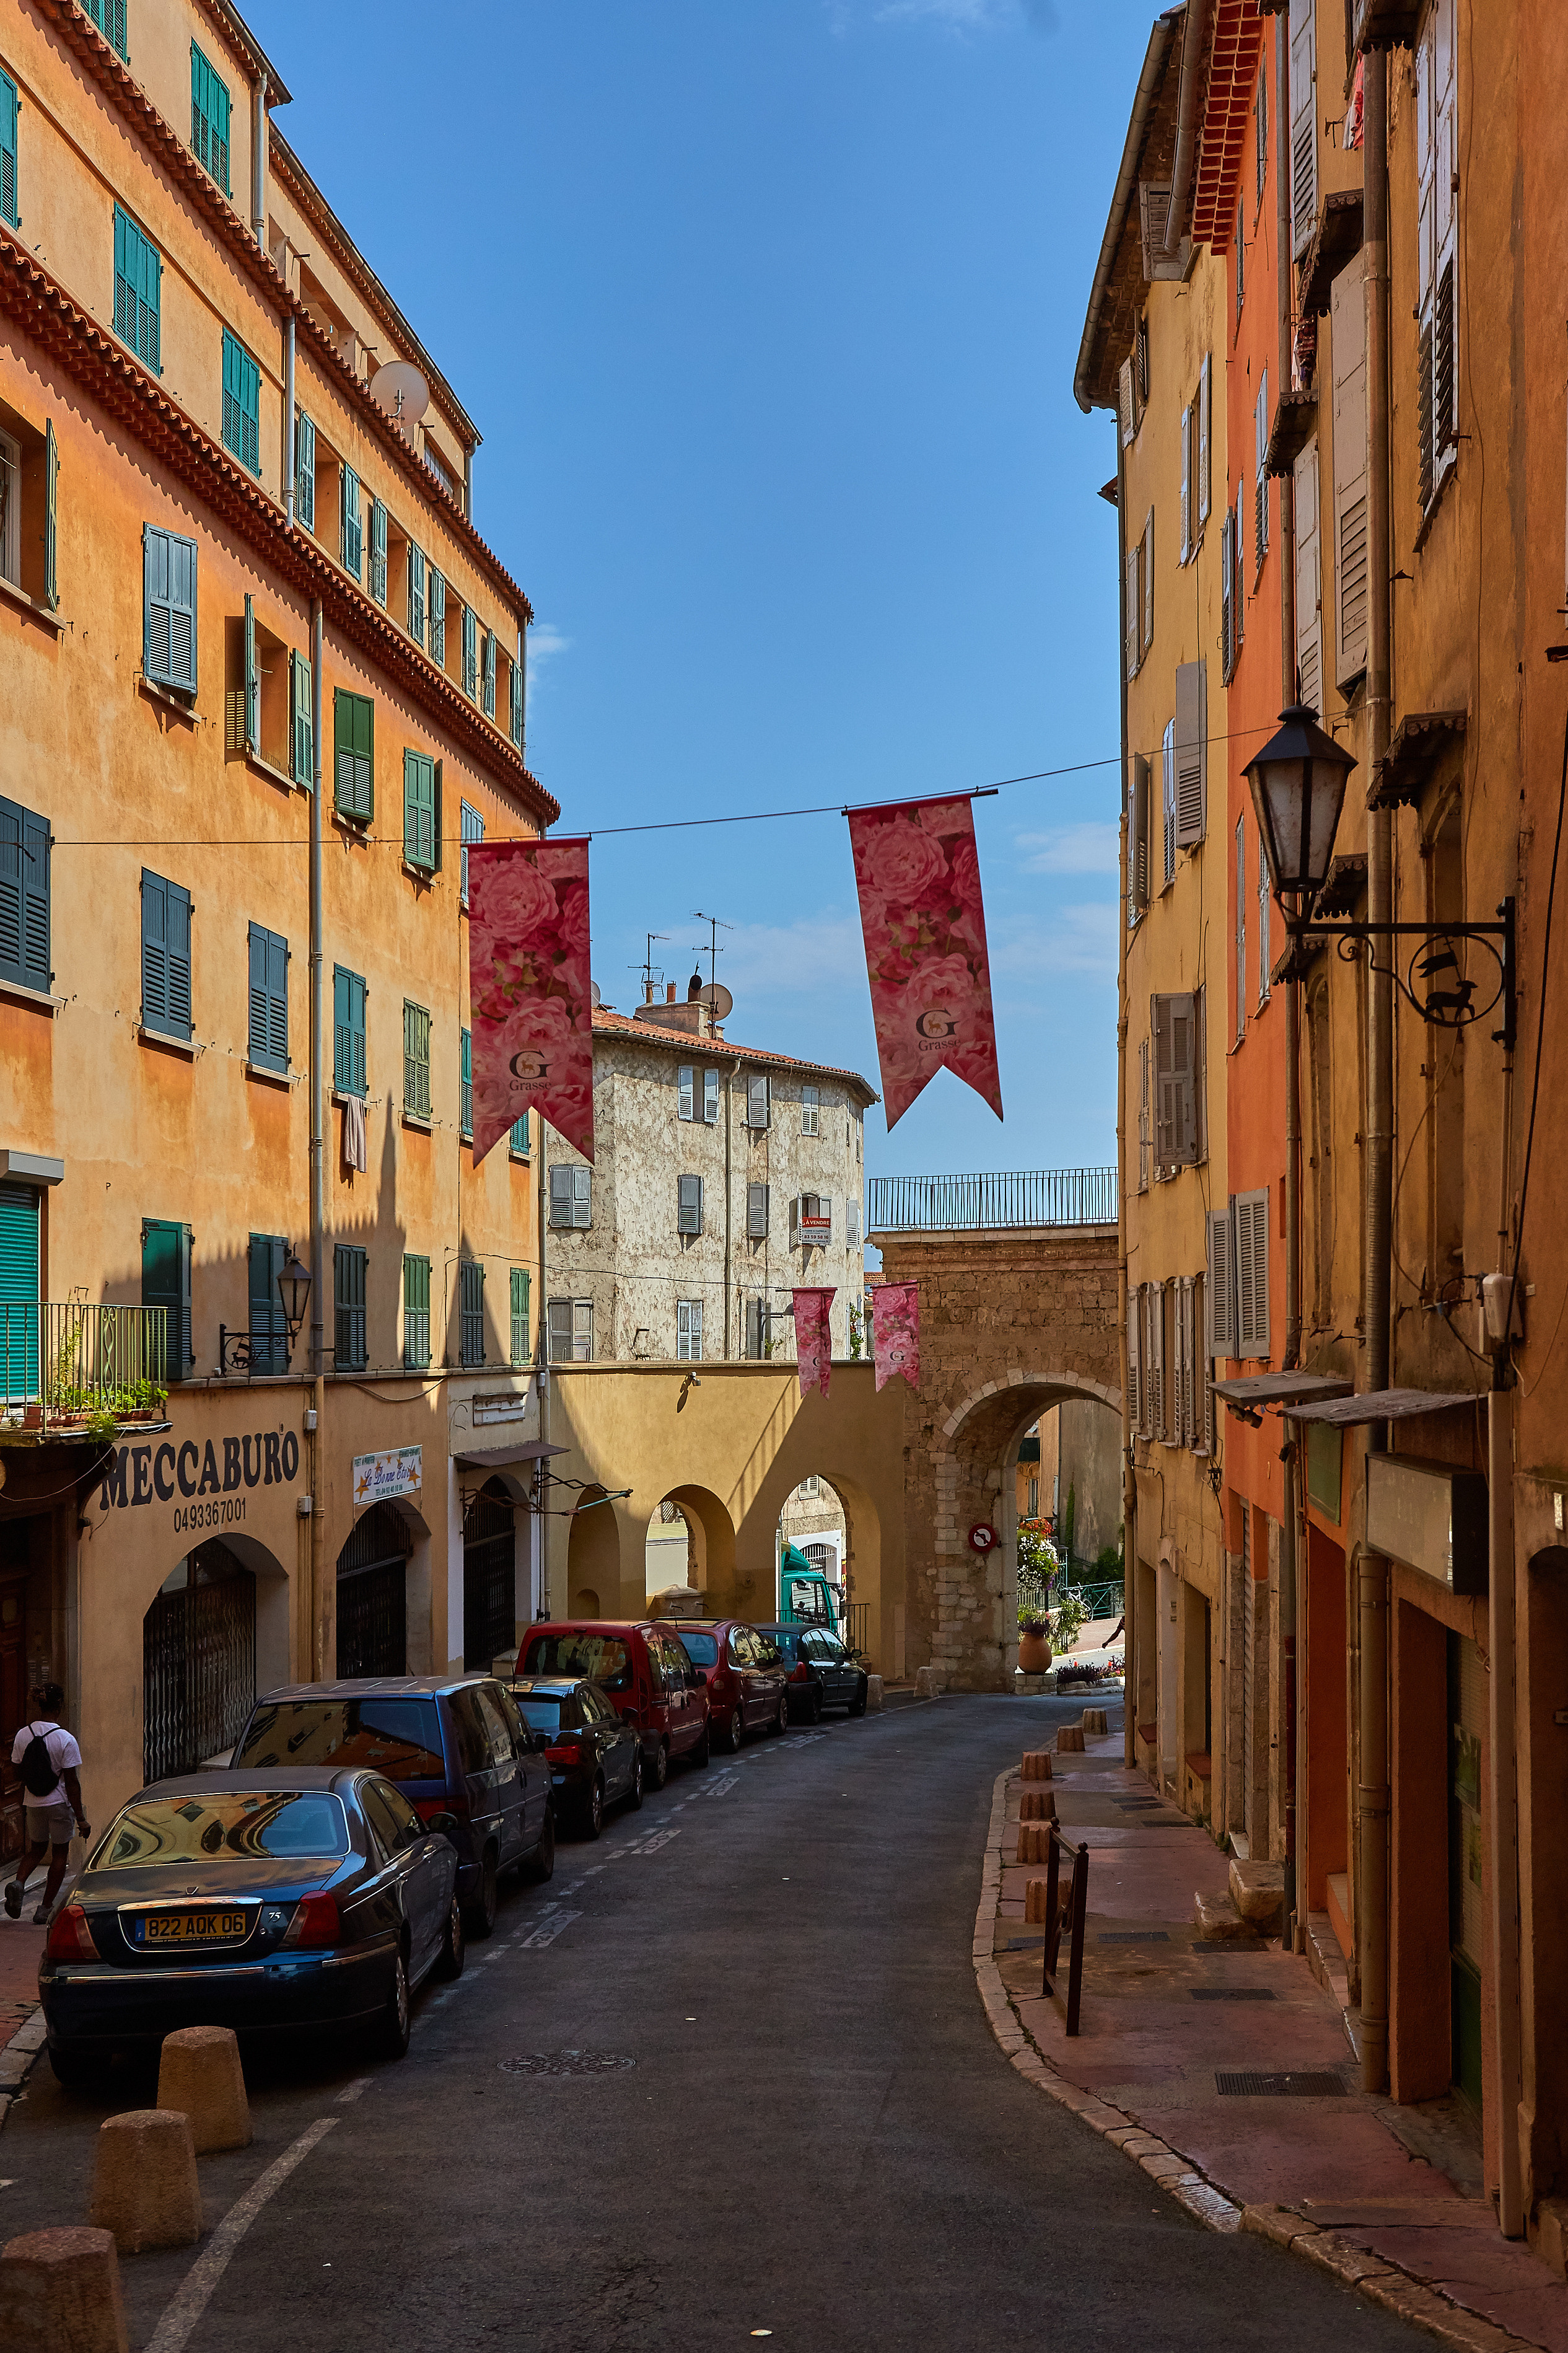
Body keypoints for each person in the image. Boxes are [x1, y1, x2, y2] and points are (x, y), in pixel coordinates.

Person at [4, 1685, 91, 1925]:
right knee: (60, 1854)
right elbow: (72, 1783)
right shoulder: (65, 1739)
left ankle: (18, 1882)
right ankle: (44, 1908)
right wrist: (81, 1818)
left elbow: (16, 1771)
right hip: (59, 1803)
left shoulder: (23, 1734)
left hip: (33, 1802)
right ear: (60, 1706)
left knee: (36, 1849)